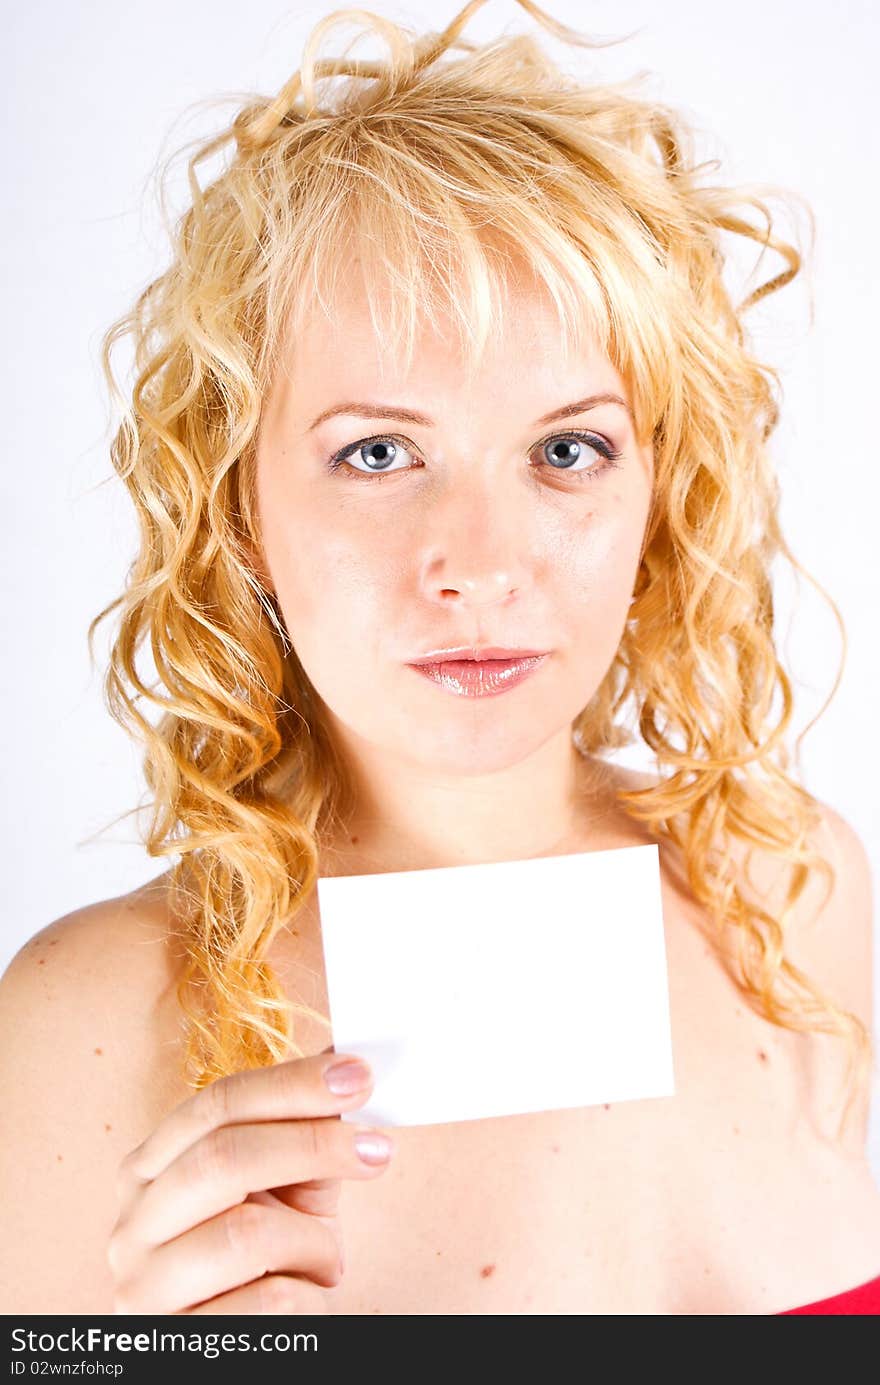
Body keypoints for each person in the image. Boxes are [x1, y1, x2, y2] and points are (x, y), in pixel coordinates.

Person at [1, 0, 878, 1317]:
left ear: (659, 492)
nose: (479, 561)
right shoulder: (93, 1027)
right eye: (377, 452)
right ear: (239, 506)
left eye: (566, 449)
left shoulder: (792, 891)